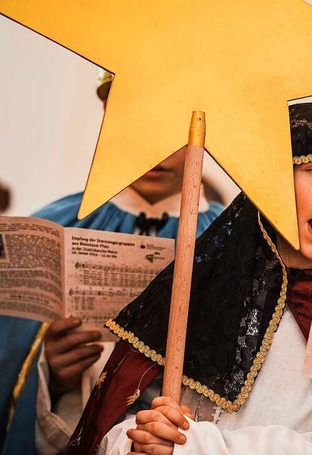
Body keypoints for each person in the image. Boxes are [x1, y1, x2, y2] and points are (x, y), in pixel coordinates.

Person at [65, 102, 312, 455]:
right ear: (273, 183)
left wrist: (195, 447)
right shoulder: (204, 285)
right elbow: (123, 411)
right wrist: (139, 439)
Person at [0, 71, 224, 454]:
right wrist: (51, 373)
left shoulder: (234, 239)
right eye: (138, 125)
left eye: (174, 130)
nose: (156, 149)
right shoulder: (49, 228)